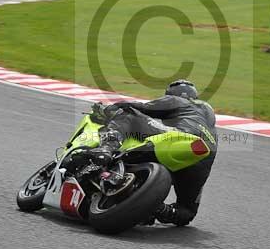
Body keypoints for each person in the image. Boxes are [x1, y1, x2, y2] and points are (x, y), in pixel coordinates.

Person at [89, 79, 217, 226]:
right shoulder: (207, 113)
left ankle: (106, 148)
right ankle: (160, 209)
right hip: (204, 157)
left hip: (181, 137)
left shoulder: (178, 100)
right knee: (186, 212)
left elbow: (144, 108)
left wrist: (111, 108)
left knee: (128, 114)